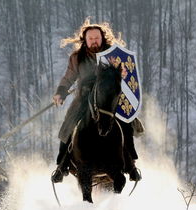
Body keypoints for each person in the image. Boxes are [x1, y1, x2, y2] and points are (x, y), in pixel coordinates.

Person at [51, 19, 142, 183]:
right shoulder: (77, 57)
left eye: (97, 37)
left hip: (109, 99)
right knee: (69, 124)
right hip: (84, 99)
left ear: (103, 38)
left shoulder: (113, 54)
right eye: (91, 38)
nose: (94, 41)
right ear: (85, 40)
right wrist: (61, 92)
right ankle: (61, 165)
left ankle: (131, 164)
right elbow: (69, 76)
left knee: (126, 123)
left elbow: (125, 73)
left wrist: (123, 75)